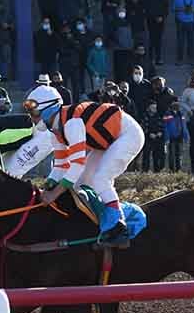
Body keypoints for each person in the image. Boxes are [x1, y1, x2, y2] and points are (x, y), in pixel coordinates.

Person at [26, 83, 142, 245]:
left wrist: (54, 194)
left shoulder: (72, 123)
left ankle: (118, 226)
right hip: (106, 142)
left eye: (34, 112)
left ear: (48, 109)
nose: (32, 117)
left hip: (128, 135)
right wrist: (47, 185)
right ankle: (102, 219)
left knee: (100, 179)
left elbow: (77, 164)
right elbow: (61, 166)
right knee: (80, 184)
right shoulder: (55, 131)